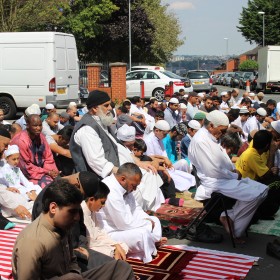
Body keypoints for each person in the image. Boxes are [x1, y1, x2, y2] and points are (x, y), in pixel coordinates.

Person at [12, 179, 135, 280]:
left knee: (121, 268)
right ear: (53, 208)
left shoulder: (62, 227)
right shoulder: (31, 241)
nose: (76, 218)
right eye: (72, 212)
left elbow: (72, 261)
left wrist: (75, 274)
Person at [70, 90, 164, 211]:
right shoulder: (87, 129)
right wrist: (121, 174)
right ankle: (135, 216)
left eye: (109, 104)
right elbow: (96, 162)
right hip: (101, 177)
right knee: (137, 185)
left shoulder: (101, 121)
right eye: (106, 105)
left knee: (150, 174)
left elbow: (117, 146)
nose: (110, 108)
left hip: (119, 168)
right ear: (94, 108)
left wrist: (138, 162)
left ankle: (151, 211)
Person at [188, 110, 268, 241]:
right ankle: (236, 230)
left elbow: (223, 159)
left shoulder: (211, 136)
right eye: (223, 130)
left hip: (224, 177)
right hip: (215, 181)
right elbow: (212, 170)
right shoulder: (200, 140)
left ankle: (230, 215)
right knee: (255, 194)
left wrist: (233, 170)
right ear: (212, 126)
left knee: (263, 190)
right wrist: (234, 176)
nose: (224, 134)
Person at [99, 163, 165, 263]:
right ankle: (151, 242)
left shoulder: (124, 186)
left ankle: (151, 242)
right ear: (123, 179)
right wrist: (147, 223)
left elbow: (136, 209)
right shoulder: (110, 190)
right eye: (133, 186)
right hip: (112, 232)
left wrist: (148, 221)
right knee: (143, 233)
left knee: (154, 219)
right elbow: (124, 224)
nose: (134, 189)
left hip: (126, 225)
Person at [81, 181, 129, 260]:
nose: (103, 205)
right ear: (91, 200)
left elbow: (100, 232)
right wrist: (113, 248)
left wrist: (115, 244)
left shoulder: (93, 211)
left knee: (123, 245)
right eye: (102, 202)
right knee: (109, 252)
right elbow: (90, 241)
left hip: (98, 243)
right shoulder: (82, 211)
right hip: (90, 246)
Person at [11, 114, 59, 187]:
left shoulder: (41, 136)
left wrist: (52, 172)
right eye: (35, 126)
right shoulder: (21, 141)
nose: (38, 128)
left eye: (40, 125)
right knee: (49, 187)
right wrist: (47, 172)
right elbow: (26, 167)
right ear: (27, 125)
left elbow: (48, 157)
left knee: (60, 182)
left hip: (42, 171)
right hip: (26, 175)